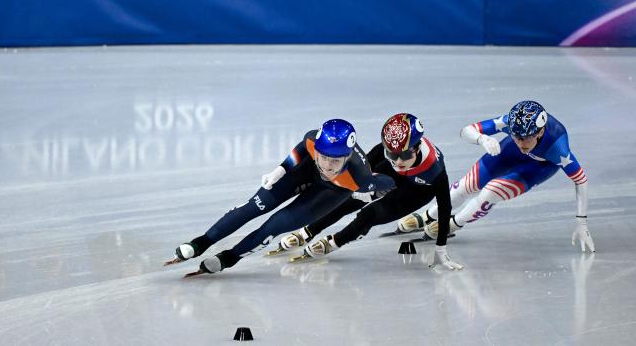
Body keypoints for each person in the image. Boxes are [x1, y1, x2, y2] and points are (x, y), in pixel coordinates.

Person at [164, 118, 396, 276]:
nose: (327, 165)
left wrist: (376, 191)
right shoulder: (313, 139)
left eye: (335, 161)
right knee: (253, 207)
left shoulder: (361, 177)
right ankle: (201, 242)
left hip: (330, 192)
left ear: (347, 158)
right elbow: (302, 149)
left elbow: (387, 182)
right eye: (323, 156)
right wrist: (281, 170)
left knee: (274, 226)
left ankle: (228, 258)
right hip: (305, 171)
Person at [396, 101, 595, 253]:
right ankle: (428, 215)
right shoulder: (512, 124)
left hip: (540, 166)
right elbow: (467, 130)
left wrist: (582, 222)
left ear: (541, 131)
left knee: (491, 192)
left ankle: (454, 223)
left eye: (526, 137)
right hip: (509, 154)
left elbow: (581, 180)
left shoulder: (558, 147)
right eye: (516, 136)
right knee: (467, 185)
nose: (521, 142)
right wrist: (482, 139)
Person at [273, 113, 463, 270]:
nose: (398, 161)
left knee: (369, 214)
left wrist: (440, 250)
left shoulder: (434, 169)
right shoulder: (387, 151)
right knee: (349, 197)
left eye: (405, 155)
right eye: (392, 154)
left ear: (417, 148)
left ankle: (336, 241)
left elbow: (445, 206)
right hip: (391, 177)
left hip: (417, 191)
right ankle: (309, 230)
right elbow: (355, 179)